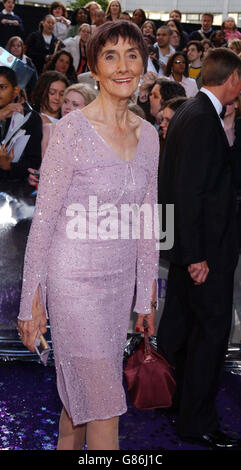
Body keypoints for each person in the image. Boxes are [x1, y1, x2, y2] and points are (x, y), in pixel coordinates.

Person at [17, 20, 159, 451]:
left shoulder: (150, 136)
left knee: (80, 404)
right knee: (105, 405)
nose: (122, 66)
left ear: (143, 65)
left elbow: (148, 222)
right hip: (73, 282)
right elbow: (45, 219)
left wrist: (145, 296)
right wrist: (30, 301)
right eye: (110, 56)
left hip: (117, 288)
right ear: (93, 68)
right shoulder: (72, 131)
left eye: (131, 55)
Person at [157, 47, 241, 449]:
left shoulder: (190, 113)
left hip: (191, 250)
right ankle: (198, 422)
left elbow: (177, 188)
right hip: (205, 256)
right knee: (209, 337)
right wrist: (194, 256)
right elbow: (189, 192)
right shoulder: (203, 120)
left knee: (186, 332)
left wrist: (182, 251)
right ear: (232, 79)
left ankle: (180, 404)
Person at [28, 82, 97, 185]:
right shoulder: (48, 130)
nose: (67, 107)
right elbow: (41, 167)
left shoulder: (93, 139)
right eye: (66, 101)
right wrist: (34, 176)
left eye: (75, 104)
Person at [0, 66, 42, 182]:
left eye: (2, 87)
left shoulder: (30, 118)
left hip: (12, 187)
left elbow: (33, 161)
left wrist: (7, 165)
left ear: (15, 91)